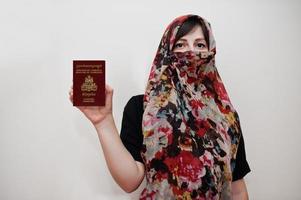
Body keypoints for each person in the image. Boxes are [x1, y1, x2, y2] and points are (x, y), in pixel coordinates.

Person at [69, 14, 251, 200]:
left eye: (200, 45)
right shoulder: (142, 108)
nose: (190, 52)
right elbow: (129, 181)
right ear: (167, 52)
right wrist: (103, 122)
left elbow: (237, 189)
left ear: (211, 52)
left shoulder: (225, 115)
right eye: (180, 45)